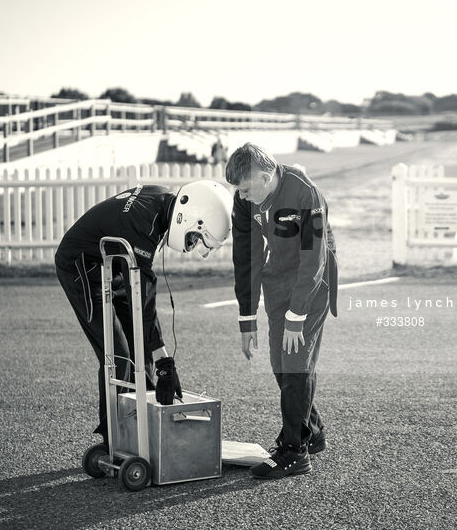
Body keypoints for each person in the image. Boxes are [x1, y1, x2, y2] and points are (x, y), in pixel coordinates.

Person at [54, 180, 233, 448]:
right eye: (195, 237)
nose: (191, 244)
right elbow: (145, 299)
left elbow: (142, 300)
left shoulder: (161, 201)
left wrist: (157, 359)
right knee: (119, 356)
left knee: (142, 350)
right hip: (81, 268)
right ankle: (113, 437)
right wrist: (165, 362)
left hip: (113, 265)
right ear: (190, 216)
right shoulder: (142, 226)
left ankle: (145, 424)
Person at [225, 143, 338, 480]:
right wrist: (247, 317)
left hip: (313, 278)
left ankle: (294, 451)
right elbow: (247, 257)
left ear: (265, 176)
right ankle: (311, 429)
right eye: (239, 191)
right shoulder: (244, 201)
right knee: (280, 363)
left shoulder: (306, 194)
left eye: (246, 189)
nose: (242, 197)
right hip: (279, 278)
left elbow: (313, 257)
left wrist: (297, 315)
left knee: (296, 361)